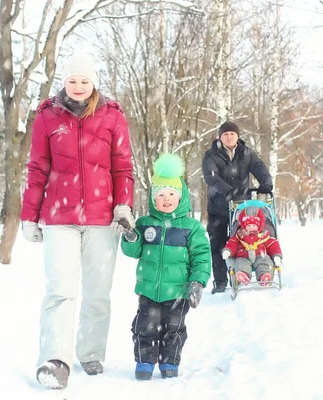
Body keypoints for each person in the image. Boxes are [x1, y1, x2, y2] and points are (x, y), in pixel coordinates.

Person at [20, 52, 135, 390]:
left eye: (84, 80)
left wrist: (124, 206)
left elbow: (123, 167)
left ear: (94, 82)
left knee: (98, 292)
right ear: (64, 82)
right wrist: (30, 215)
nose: (79, 86)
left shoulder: (113, 117)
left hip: (103, 218)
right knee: (60, 290)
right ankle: (55, 360)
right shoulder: (47, 117)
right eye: (73, 80)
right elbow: (37, 168)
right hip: (59, 216)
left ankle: (90, 351)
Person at [121, 154, 211, 381]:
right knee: (144, 327)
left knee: (174, 329)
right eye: (160, 194)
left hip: (178, 292)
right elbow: (134, 251)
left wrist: (197, 282)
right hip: (149, 289)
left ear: (181, 198)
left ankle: (170, 362)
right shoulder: (145, 224)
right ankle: (144, 361)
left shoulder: (191, 228)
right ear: (153, 199)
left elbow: (202, 256)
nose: (166, 198)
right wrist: (131, 238)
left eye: (172, 194)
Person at [202, 120, 273, 294]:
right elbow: (211, 176)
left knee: (242, 241)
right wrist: (226, 191)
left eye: (232, 134)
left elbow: (259, 167)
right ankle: (220, 282)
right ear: (220, 137)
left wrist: (266, 183)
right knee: (218, 244)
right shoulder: (211, 155)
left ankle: (243, 271)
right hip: (218, 207)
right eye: (225, 134)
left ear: (237, 136)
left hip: (241, 208)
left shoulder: (246, 153)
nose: (229, 137)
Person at [222, 206, 282, 286]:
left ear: (259, 225)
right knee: (240, 263)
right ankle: (243, 275)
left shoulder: (264, 236)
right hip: (243, 256)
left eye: (254, 226)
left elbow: (273, 244)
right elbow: (232, 243)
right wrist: (228, 250)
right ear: (244, 226)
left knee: (265, 262)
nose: (251, 228)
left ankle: (264, 276)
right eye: (249, 226)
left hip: (261, 255)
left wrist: (276, 255)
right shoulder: (240, 235)